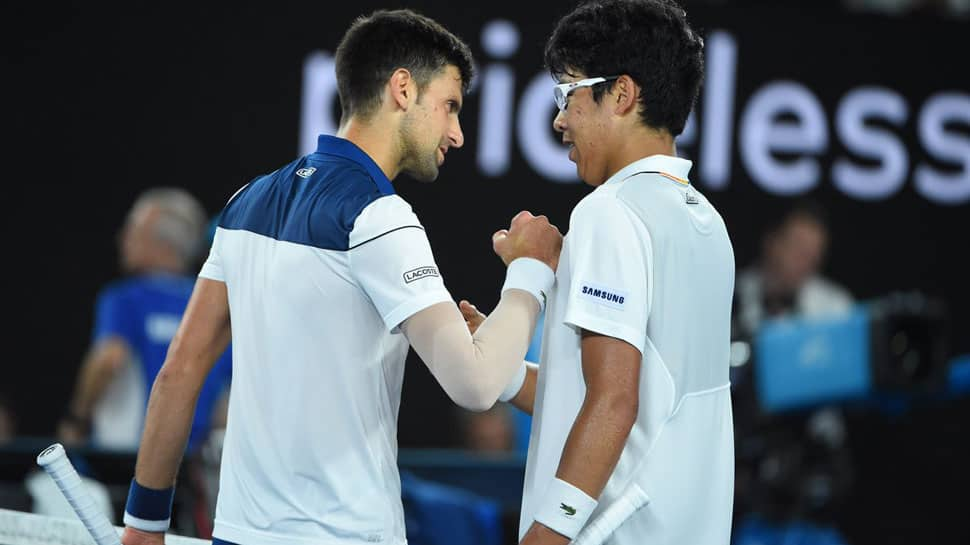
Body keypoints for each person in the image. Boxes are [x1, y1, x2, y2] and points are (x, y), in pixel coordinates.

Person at [118, 9, 562, 545]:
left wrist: (143, 528)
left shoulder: (245, 204)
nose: (458, 134)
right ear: (402, 89)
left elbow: (178, 373)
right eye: (449, 107)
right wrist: (530, 271)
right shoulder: (379, 215)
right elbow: (474, 384)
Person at [465, 1, 734, 543]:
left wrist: (546, 535)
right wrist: (508, 372)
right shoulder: (706, 222)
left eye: (568, 94)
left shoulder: (608, 211)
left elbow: (614, 400)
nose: (560, 119)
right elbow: (630, 393)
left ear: (622, 94)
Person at [57, 188, 232, 454]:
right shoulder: (214, 306)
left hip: (127, 459)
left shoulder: (125, 299)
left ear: (161, 243)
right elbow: (225, 398)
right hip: (190, 460)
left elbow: (108, 359)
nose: (122, 239)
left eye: (132, 230)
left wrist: (77, 420)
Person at [733, 200, 853, 342]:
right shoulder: (732, 292)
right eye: (798, 247)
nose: (805, 261)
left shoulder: (836, 307)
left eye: (814, 254)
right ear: (771, 242)